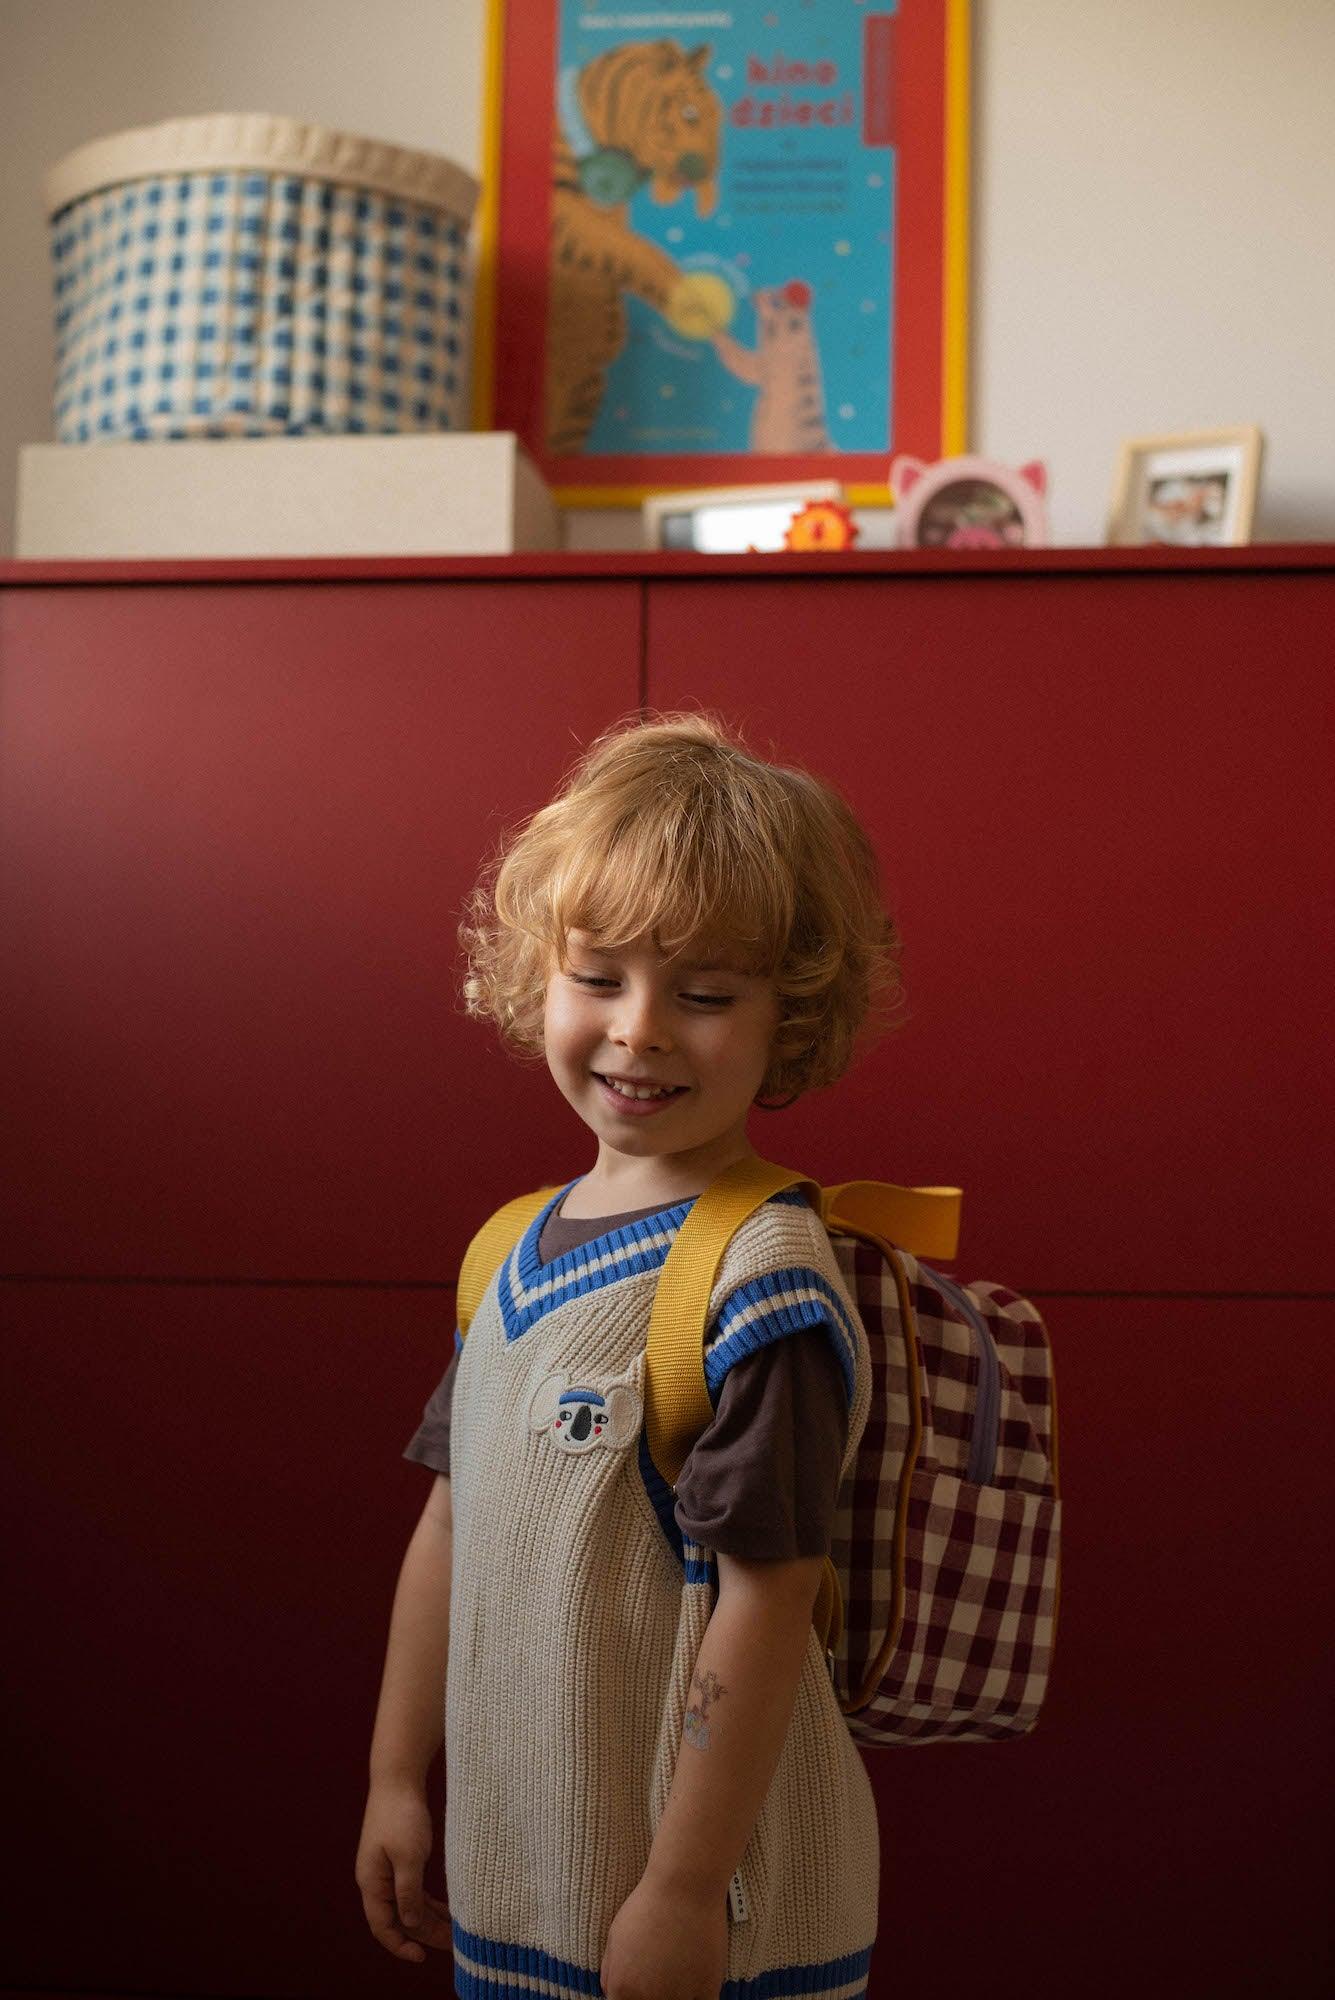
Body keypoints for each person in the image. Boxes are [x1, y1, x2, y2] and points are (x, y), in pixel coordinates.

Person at [355, 710, 907, 1999]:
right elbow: (452, 1525)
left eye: (706, 996)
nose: (641, 1028)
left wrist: (683, 1890)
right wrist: (393, 1776)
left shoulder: (759, 1275)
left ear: (790, 1018)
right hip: (520, 1889)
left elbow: (768, 1599)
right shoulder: (507, 1250)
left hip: (714, 1917)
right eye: (598, 977)